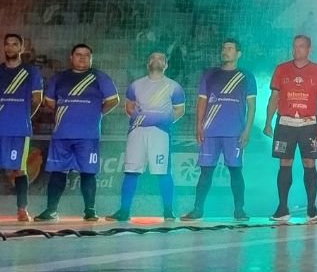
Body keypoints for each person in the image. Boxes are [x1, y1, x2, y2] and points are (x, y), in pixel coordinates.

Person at [35, 44, 119, 221]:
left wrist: (96, 112)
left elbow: (113, 100)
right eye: (79, 55)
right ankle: (51, 210)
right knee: (57, 172)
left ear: (91, 58)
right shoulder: (59, 78)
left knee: (88, 173)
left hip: (88, 136)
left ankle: (90, 211)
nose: (82, 58)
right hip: (62, 135)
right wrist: (66, 113)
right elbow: (49, 102)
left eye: (87, 55)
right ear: (71, 57)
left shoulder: (100, 77)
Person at [181, 39, 256, 221]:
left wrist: (247, 130)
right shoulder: (210, 74)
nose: (225, 51)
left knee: (235, 171)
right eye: (223, 48)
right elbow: (201, 101)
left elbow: (252, 106)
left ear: (239, 54)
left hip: (234, 133)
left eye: (230, 48)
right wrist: (198, 125)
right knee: (206, 171)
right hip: (210, 131)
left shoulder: (246, 76)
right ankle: (198, 210)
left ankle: (239, 210)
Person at [106, 52, 185, 221]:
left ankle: (168, 212)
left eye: (161, 59)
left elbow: (179, 110)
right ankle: (124, 211)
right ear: (147, 63)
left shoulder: (173, 86)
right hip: (137, 132)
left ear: (166, 65)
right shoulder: (136, 85)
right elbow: (129, 107)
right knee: (131, 171)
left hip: (160, 134)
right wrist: (140, 119)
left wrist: (163, 121)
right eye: (153, 58)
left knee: (163, 172)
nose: (156, 60)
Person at [264, 34, 317, 223]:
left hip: (309, 123)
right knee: (284, 163)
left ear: (309, 49)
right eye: (294, 46)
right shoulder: (281, 69)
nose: (296, 50)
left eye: (301, 46)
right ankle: (282, 207)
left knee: (309, 163)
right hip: (285, 123)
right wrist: (268, 121)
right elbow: (274, 98)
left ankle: (311, 209)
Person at [0, 34, 43, 221]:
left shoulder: (31, 72)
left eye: (14, 44)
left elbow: (37, 100)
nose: (10, 48)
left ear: (21, 48)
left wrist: (23, 117)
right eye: (7, 44)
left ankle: (22, 209)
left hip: (18, 129)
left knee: (18, 169)